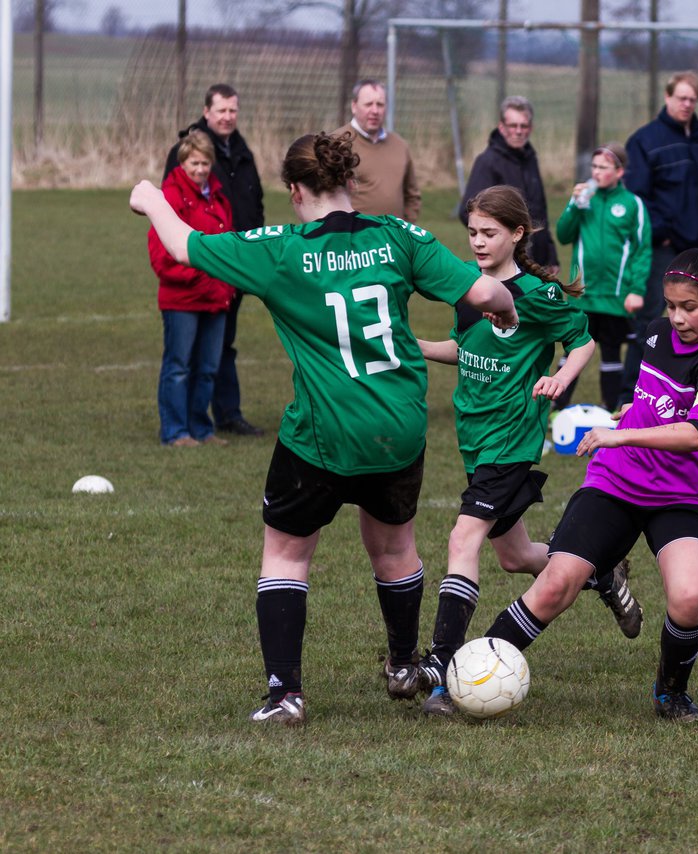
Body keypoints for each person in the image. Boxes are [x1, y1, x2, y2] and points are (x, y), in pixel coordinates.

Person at [131, 132, 518, 726]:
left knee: (287, 554)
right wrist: (508, 314)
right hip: (399, 427)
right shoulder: (398, 235)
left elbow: (184, 245)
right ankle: (402, 665)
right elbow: (488, 291)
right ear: (346, 185)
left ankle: (286, 693)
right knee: (394, 547)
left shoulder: (282, 249)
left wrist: (152, 199)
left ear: (295, 191)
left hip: (324, 430)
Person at [478, 248, 698, 723]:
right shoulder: (657, 334)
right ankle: (472, 670)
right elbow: (651, 399)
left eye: (690, 307)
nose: (677, 318)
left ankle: (671, 694)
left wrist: (618, 433)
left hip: (681, 496)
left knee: (688, 597)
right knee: (556, 584)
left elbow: (697, 433)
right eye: (670, 305)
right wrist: (630, 414)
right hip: (616, 481)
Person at [414, 186, 639, 716]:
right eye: (472, 232)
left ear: (518, 234)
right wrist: (416, 347)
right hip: (473, 437)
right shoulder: (467, 290)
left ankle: (441, 671)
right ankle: (600, 572)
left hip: (510, 440)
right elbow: (463, 347)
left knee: (462, 538)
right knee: (515, 557)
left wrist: (561, 377)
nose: (478, 242)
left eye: (489, 233)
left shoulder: (539, 294)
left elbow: (582, 341)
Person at [165, 83, 266, 437]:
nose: (228, 117)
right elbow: (168, 216)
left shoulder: (242, 151)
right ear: (206, 112)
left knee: (221, 348)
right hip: (200, 273)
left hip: (235, 269)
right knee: (185, 357)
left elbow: (254, 205)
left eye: (233, 110)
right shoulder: (187, 150)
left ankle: (223, 416)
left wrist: (254, 256)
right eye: (221, 110)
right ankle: (182, 426)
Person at [621, 71, 698, 406]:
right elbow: (638, 199)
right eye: (681, 98)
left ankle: (695, 397)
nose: (686, 104)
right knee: (654, 323)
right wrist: (666, 233)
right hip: (663, 250)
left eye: (692, 99)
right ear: (667, 97)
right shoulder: (645, 142)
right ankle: (630, 399)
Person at [148, 129, 235, 447]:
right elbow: (162, 256)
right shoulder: (169, 198)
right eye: (194, 163)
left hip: (216, 298)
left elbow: (228, 244)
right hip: (182, 299)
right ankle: (175, 431)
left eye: (205, 163)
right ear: (182, 163)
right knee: (179, 366)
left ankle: (201, 428)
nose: (200, 170)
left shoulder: (218, 195)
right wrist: (204, 277)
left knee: (208, 368)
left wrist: (226, 280)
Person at [553, 142, 651, 412]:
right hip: (582, 295)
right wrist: (574, 205)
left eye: (603, 167)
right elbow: (563, 235)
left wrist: (636, 290)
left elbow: (643, 250)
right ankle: (556, 409)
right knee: (573, 350)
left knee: (611, 352)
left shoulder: (633, 204)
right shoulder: (584, 198)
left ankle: (610, 409)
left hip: (615, 297)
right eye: (594, 166)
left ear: (619, 172)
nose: (596, 172)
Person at [459, 96, 559, 273]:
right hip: (508, 265)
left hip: (536, 262)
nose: (519, 131)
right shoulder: (487, 162)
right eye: (513, 126)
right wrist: (499, 243)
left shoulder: (530, 159)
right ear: (502, 127)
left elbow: (539, 210)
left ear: (531, 128)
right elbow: (468, 212)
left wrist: (549, 254)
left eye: (524, 126)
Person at [334, 79, 422, 222]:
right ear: (354, 106)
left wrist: (406, 229)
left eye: (380, 104)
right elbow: (323, 196)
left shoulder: (400, 146)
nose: (375, 111)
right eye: (368, 104)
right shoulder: (338, 144)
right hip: (353, 239)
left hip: (394, 239)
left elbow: (412, 195)